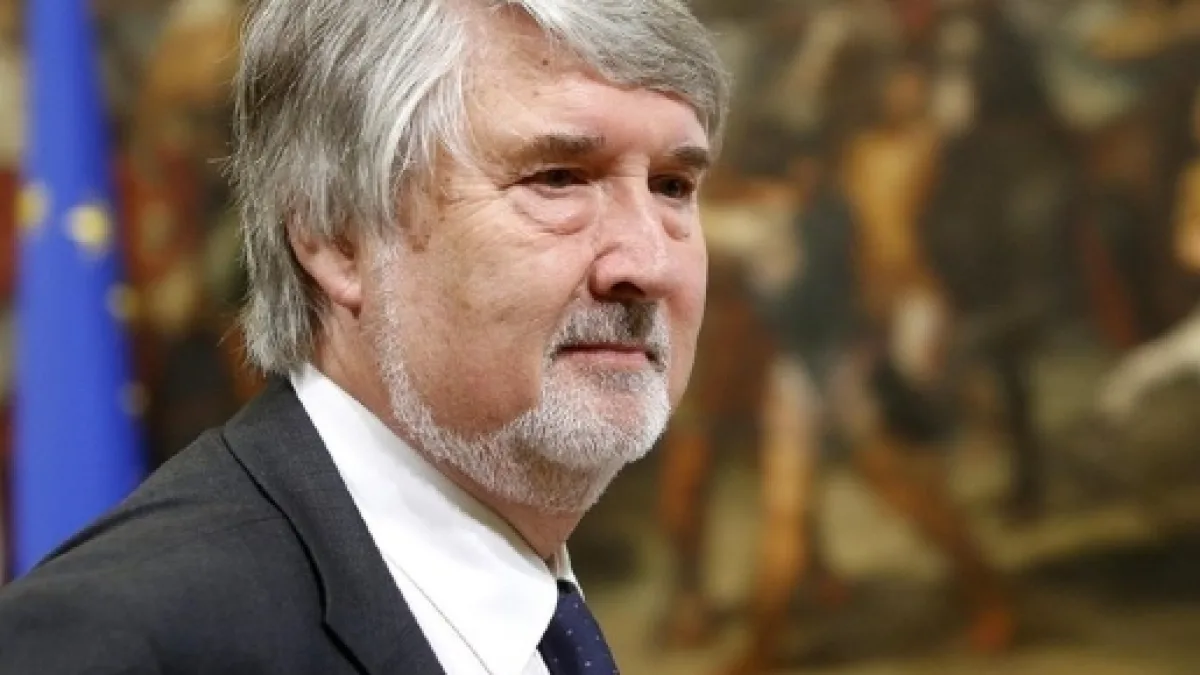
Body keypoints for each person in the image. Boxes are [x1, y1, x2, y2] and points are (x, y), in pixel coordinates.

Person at [0, 1, 730, 673]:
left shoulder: (541, 619)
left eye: (672, 186)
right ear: (336, 236)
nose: (648, 263)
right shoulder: (109, 645)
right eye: (559, 178)